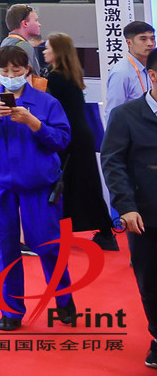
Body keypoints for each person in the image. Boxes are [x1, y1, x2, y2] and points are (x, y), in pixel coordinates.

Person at [0, 41, 74, 329]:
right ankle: (11, 310)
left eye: (16, 70)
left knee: (47, 243)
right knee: (3, 246)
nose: (11, 75)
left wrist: (34, 123)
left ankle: (64, 298)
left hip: (38, 182)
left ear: (27, 70)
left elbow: (62, 139)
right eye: (4, 71)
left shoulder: (46, 102)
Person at [100, 47, 157, 369]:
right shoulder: (126, 115)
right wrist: (125, 206)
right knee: (151, 280)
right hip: (145, 214)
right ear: (153, 76)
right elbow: (113, 162)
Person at [43, 32, 117, 250]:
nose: (44, 51)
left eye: (48, 48)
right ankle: (103, 232)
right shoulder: (72, 74)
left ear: (58, 52)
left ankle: (74, 232)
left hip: (69, 137)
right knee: (85, 184)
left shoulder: (55, 78)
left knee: (66, 185)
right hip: (80, 135)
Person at [103, 20, 157, 121]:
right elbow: (113, 113)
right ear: (129, 42)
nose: (150, 44)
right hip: (133, 129)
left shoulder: (150, 67)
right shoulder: (121, 73)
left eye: (152, 38)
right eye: (143, 39)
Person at [0, 3, 46, 76]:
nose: (39, 24)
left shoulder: (1, 45)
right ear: (25, 23)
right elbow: (28, 77)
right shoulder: (23, 47)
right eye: (36, 20)